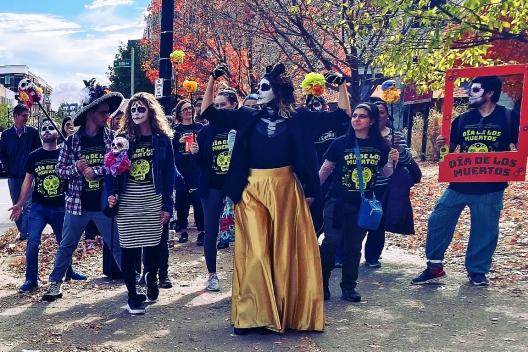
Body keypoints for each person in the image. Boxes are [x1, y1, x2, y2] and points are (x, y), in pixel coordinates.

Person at [201, 62, 351, 334]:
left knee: (282, 253)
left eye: (265, 87)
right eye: (259, 87)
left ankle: (282, 312)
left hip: (285, 189)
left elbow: (341, 115)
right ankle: (252, 315)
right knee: (256, 252)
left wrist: (340, 86)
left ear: (279, 90)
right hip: (251, 189)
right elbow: (208, 111)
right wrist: (213, 81)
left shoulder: (299, 118)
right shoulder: (247, 115)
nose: (259, 91)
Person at [411, 76, 520, 287]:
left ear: (489, 93)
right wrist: (440, 143)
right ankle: (434, 267)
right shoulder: (462, 120)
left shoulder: (509, 117)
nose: (470, 93)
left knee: (485, 229)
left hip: (491, 186)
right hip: (459, 184)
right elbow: (447, 154)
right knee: (438, 220)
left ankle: (477, 271)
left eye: (475, 89)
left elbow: (520, 149)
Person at [42, 79, 124, 302]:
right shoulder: (73, 141)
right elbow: (60, 171)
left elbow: (115, 165)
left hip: (103, 204)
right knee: (66, 245)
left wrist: (94, 171)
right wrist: (77, 169)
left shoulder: (110, 138)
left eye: (108, 112)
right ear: (91, 113)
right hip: (76, 204)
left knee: (115, 243)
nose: (107, 116)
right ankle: (54, 284)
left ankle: (133, 281)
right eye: (103, 112)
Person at [319, 102, 399, 302]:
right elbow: (325, 169)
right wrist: (310, 192)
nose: (356, 119)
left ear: (371, 121)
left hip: (362, 205)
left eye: (362, 116)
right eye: (354, 115)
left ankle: (349, 287)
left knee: (354, 247)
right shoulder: (340, 143)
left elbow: (386, 173)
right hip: (337, 202)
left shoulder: (381, 145)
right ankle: (320, 284)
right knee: (331, 243)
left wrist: (391, 160)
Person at [107, 92, 175, 314]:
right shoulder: (122, 138)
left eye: (141, 109)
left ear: (151, 111)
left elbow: (169, 175)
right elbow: (111, 170)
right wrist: (112, 193)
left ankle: (152, 277)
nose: (136, 113)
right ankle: (132, 294)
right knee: (128, 246)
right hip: (128, 199)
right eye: (133, 110)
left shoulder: (162, 140)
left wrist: (167, 205)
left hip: (152, 197)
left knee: (153, 245)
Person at [10, 120, 86, 293]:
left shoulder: (65, 154)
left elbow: (75, 176)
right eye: (43, 129)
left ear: (58, 133)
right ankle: (31, 279)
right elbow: (27, 181)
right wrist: (20, 204)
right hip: (39, 207)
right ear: (40, 134)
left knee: (64, 242)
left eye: (50, 128)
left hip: (61, 206)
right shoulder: (34, 156)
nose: (46, 131)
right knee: (32, 242)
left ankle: (69, 272)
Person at [192, 88, 238, 292]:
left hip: (237, 187)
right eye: (216, 105)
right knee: (211, 232)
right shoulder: (205, 131)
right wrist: (195, 153)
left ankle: (243, 275)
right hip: (211, 187)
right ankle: (212, 275)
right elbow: (201, 163)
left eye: (223, 105)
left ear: (233, 105)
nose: (219, 109)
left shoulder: (240, 128)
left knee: (243, 232)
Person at [363, 98, 413, 268]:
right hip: (362, 184)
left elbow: (407, 161)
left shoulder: (395, 136)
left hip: (385, 186)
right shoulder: (362, 134)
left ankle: (372, 256)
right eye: (374, 112)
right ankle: (343, 254)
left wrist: (399, 149)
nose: (378, 115)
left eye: (382, 112)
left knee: (378, 221)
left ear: (387, 115)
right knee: (357, 220)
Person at [0, 104, 41, 240]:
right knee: (16, 206)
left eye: (27, 115)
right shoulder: (6, 135)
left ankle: (25, 234)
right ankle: (24, 232)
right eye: (24, 115)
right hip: (13, 177)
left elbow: (38, 151)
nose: (26, 118)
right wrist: (8, 167)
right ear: (15, 116)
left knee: (28, 206)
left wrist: (33, 169)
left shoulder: (32, 133)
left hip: (28, 176)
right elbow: (2, 153)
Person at [172, 99, 205, 244]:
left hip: (196, 168)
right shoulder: (175, 130)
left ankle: (202, 230)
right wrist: (178, 141)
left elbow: (206, 149)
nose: (188, 111)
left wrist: (198, 150)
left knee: (198, 199)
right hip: (181, 168)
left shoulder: (200, 127)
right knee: (181, 200)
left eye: (190, 108)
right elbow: (169, 151)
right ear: (179, 113)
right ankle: (183, 230)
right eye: (184, 109)